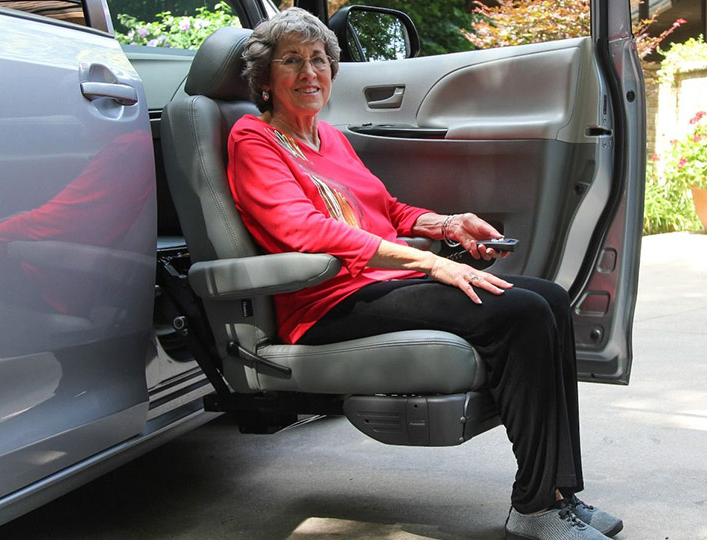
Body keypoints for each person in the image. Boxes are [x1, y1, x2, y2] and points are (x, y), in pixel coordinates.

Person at [227, 9, 623, 540]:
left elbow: (387, 209)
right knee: (519, 312)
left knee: (548, 297)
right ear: (264, 80)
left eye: (319, 59)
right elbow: (304, 231)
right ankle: (535, 509)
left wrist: (450, 226)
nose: (309, 73)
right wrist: (432, 261)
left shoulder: (330, 140)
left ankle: (558, 494)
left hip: (379, 284)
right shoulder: (253, 140)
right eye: (292, 61)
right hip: (326, 301)